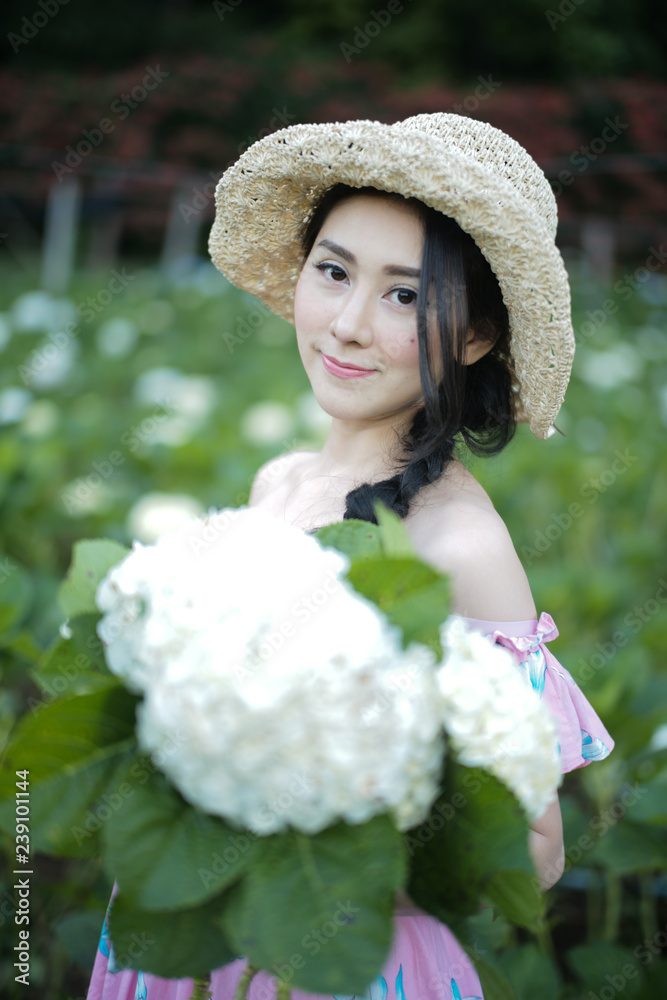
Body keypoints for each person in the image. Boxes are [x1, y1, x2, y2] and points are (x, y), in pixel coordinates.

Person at [87, 113, 614, 1000]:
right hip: (184, 937)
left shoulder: (457, 542)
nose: (349, 325)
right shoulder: (278, 481)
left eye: (405, 295)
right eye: (333, 273)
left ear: (477, 335)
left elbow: (533, 854)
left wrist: (277, 830)